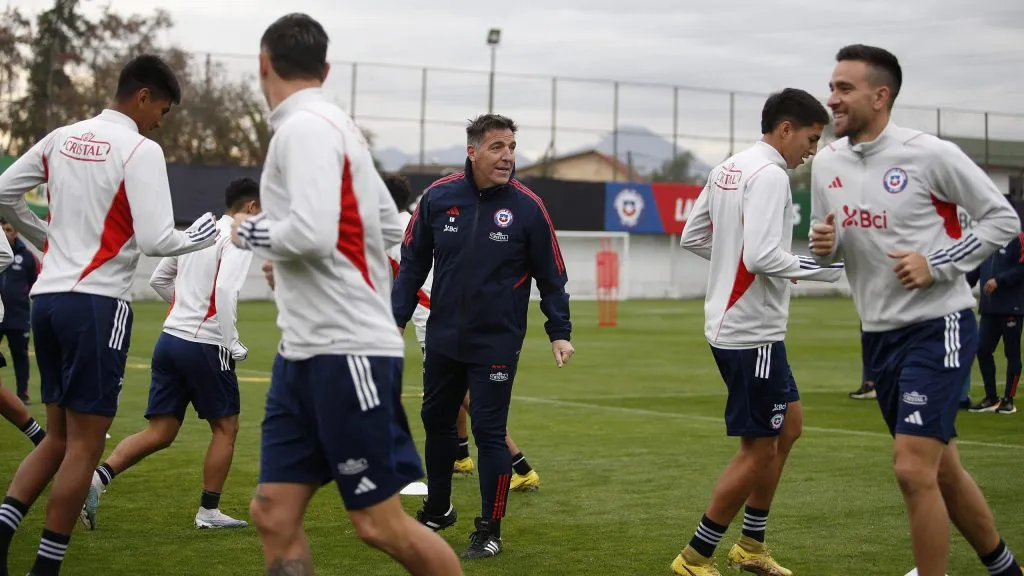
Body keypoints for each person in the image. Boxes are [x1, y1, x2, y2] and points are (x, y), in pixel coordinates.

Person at [231, 13, 462, 576]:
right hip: (303, 353)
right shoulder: (338, 127)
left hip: (347, 350)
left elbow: (311, 233)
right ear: (326, 69)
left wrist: (251, 233)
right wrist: (299, 270)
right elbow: (386, 227)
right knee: (272, 512)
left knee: (378, 523)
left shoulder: (303, 129)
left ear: (263, 63)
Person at [0, 53, 218, 576]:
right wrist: (196, 238)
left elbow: (4, 194)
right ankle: (45, 568)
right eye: (162, 110)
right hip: (96, 305)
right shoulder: (140, 149)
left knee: (56, 438)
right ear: (143, 96)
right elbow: (154, 239)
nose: (160, 122)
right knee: (86, 443)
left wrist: (43, 238)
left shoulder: (60, 137)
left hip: (47, 299)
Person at [809, 44, 1022, 576]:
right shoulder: (827, 162)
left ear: (880, 96)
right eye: (831, 86)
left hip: (940, 325)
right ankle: (1004, 568)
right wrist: (824, 245)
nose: (831, 98)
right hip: (877, 334)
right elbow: (829, 242)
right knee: (940, 468)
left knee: (911, 468)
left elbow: (1001, 220)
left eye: (843, 88)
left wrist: (938, 262)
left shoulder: (931, 154)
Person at [673, 88, 840, 576]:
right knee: (759, 447)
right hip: (753, 332)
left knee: (789, 427)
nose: (811, 151)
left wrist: (731, 266)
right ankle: (695, 556)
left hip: (734, 325)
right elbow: (763, 257)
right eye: (810, 139)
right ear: (785, 129)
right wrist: (827, 270)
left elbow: (693, 236)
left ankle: (751, 545)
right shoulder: (770, 174)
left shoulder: (729, 166)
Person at [392, 113, 574, 559]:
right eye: (497, 147)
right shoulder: (437, 198)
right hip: (444, 337)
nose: (507, 156)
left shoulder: (529, 207)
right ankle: (438, 509)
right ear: (472, 151)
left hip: (496, 341)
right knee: (435, 421)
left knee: (489, 433)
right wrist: (392, 320)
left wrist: (559, 331)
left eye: (511, 146)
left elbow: (552, 276)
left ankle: (489, 529)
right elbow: (413, 264)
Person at [79, 177, 261, 532]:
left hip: (170, 340)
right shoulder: (240, 236)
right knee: (226, 427)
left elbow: (159, 280)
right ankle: (209, 512)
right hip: (206, 344)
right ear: (251, 207)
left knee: (160, 431)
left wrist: (184, 313)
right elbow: (224, 289)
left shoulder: (199, 227)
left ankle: (97, 479)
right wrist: (232, 339)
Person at [382, 174, 541, 491]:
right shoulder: (408, 219)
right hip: (437, 313)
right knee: (449, 393)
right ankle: (461, 454)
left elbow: (402, 279)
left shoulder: (387, 231)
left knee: (456, 393)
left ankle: (520, 465)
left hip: (432, 316)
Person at [966, 233, 1024, 414]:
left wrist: (1000, 280)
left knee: (1012, 353)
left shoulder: (1019, 238)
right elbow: (975, 269)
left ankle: (1009, 399)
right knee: (982, 349)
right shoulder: (987, 239)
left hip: (1011, 307)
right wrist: (962, 286)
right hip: (989, 307)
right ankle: (991, 397)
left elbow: (1022, 268)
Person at [0, 219, 38, 405]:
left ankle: (22, 393)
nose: (5, 233)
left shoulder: (28, 257)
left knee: (20, 357)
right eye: (3, 229)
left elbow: (36, 281)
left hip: (18, 317)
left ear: (16, 233)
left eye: (8, 229)